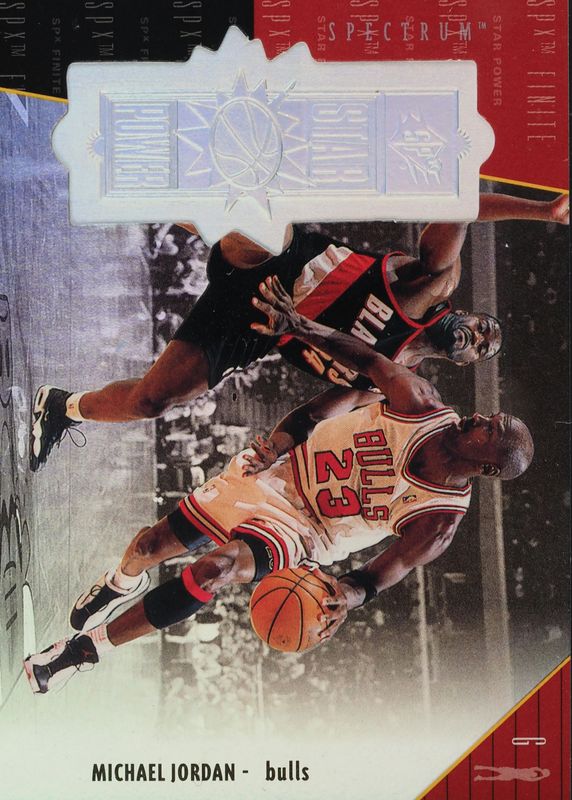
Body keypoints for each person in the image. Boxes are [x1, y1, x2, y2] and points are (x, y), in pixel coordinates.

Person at [24, 277, 534, 694]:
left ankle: (82, 651)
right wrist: (299, 326)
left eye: (491, 430)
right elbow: (364, 363)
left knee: (214, 569)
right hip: (276, 473)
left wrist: (345, 597)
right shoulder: (421, 402)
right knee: (147, 548)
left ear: (488, 468)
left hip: (307, 532)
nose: (481, 417)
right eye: (492, 416)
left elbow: (380, 574)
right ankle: (122, 581)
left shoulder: (438, 518)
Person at [28, 192, 567, 471]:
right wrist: (545, 210)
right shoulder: (432, 283)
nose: (478, 338)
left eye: (483, 349)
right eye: (484, 327)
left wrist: (278, 448)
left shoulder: (391, 382)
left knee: (152, 401)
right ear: (466, 311)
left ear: (463, 364)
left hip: (256, 326)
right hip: (284, 263)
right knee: (264, 228)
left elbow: (315, 415)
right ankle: (124, 179)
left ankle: (62, 407)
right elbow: (460, 204)